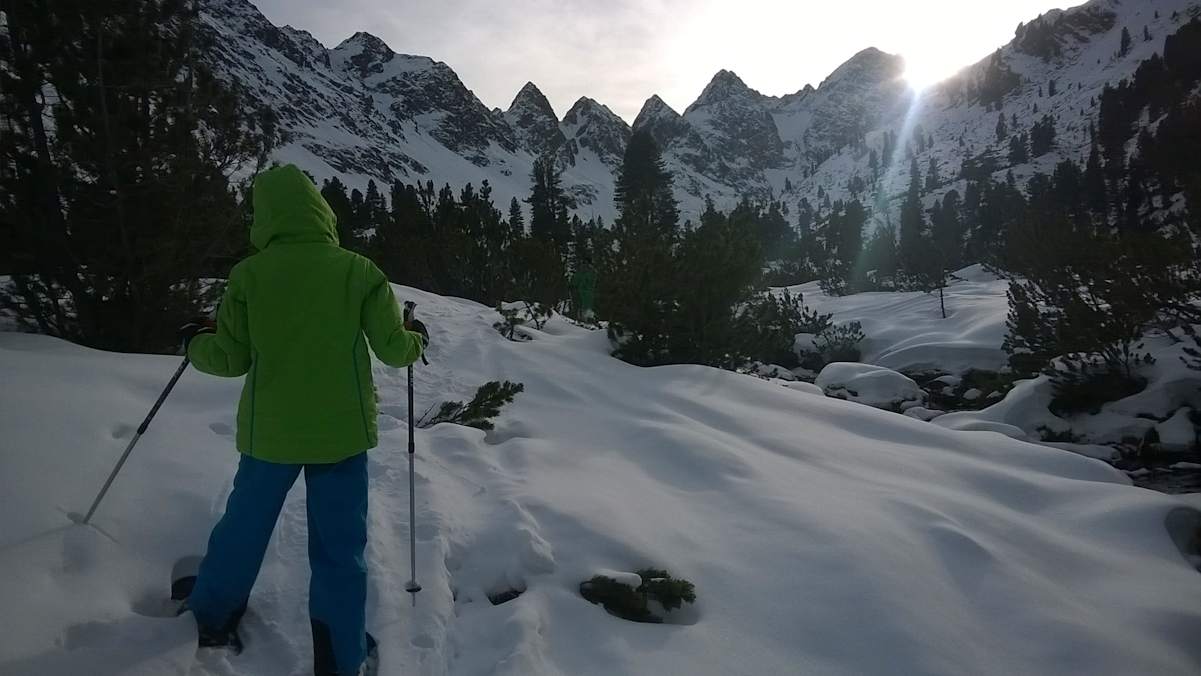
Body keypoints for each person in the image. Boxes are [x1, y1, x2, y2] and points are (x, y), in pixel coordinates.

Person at [178, 164, 427, 676]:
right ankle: (341, 656)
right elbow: (395, 350)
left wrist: (193, 340)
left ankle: (212, 615)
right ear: (320, 210)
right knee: (339, 547)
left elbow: (230, 359)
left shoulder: (248, 275)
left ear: (264, 217)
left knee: (243, 526)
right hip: (341, 436)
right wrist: (416, 335)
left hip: (270, 435)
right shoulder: (359, 271)